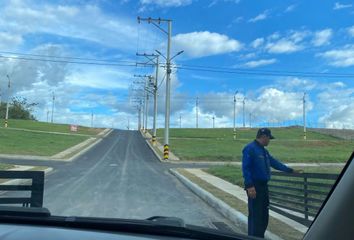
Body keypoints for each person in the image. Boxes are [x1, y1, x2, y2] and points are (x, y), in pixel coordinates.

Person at [242, 128, 297, 238]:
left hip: (263, 187)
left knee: (263, 215)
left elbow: (275, 163)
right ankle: (254, 237)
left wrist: (289, 170)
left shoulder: (264, 151)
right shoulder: (250, 148)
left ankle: (260, 236)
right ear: (264, 136)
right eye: (269, 138)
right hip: (254, 187)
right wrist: (249, 186)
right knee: (255, 215)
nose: (269, 141)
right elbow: (246, 168)